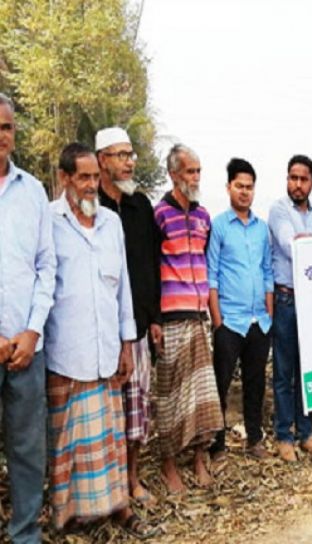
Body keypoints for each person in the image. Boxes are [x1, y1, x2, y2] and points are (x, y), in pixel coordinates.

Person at [45, 143, 155, 538]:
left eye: (95, 177)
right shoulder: (49, 220)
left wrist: (127, 342)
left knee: (110, 437)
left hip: (108, 348)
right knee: (69, 443)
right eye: (83, 177)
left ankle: (118, 507)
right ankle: (69, 516)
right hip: (65, 351)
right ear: (65, 178)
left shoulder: (111, 223)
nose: (91, 185)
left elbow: (123, 286)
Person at [0, 92, 56, 544]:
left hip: (25, 346)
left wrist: (33, 330)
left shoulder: (33, 190)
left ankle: (24, 534)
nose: (1, 136)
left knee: (27, 447)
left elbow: (46, 265)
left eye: (6, 127)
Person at [95, 126, 160, 506]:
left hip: (135, 326)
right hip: (98, 329)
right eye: (121, 155)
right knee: (104, 410)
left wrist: (153, 318)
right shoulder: (91, 206)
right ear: (102, 159)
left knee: (136, 408)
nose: (129, 161)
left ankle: (132, 479)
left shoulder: (140, 206)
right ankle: (107, 486)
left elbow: (150, 263)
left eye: (131, 154)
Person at [154, 144, 223, 491]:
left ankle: (199, 458)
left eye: (198, 171)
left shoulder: (203, 216)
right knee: (169, 394)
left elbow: (207, 265)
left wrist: (212, 314)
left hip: (198, 318)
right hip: (170, 317)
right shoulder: (159, 215)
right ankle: (169, 464)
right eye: (189, 171)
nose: (195, 177)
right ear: (173, 174)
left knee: (202, 394)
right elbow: (151, 269)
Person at [207, 158, 273, 462]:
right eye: (239, 186)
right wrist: (217, 320)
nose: (245, 192)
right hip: (229, 321)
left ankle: (254, 438)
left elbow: (267, 271)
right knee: (220, 383)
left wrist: (269, 314)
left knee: (255, 382)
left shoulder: (262, 229)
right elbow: (212, 275)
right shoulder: (218, 226)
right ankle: (216, 444)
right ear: (228, 187)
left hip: (259, 320)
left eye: (249, 187)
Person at [268, 155, 312, 462]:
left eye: (303, 179)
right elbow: (288, 243)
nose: (297, 184)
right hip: (287, 299)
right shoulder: (279, 209)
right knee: (283, 372)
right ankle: (284, 436)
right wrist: (309, 244)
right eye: (292, 177)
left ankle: (305, 433)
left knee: (307, 371)